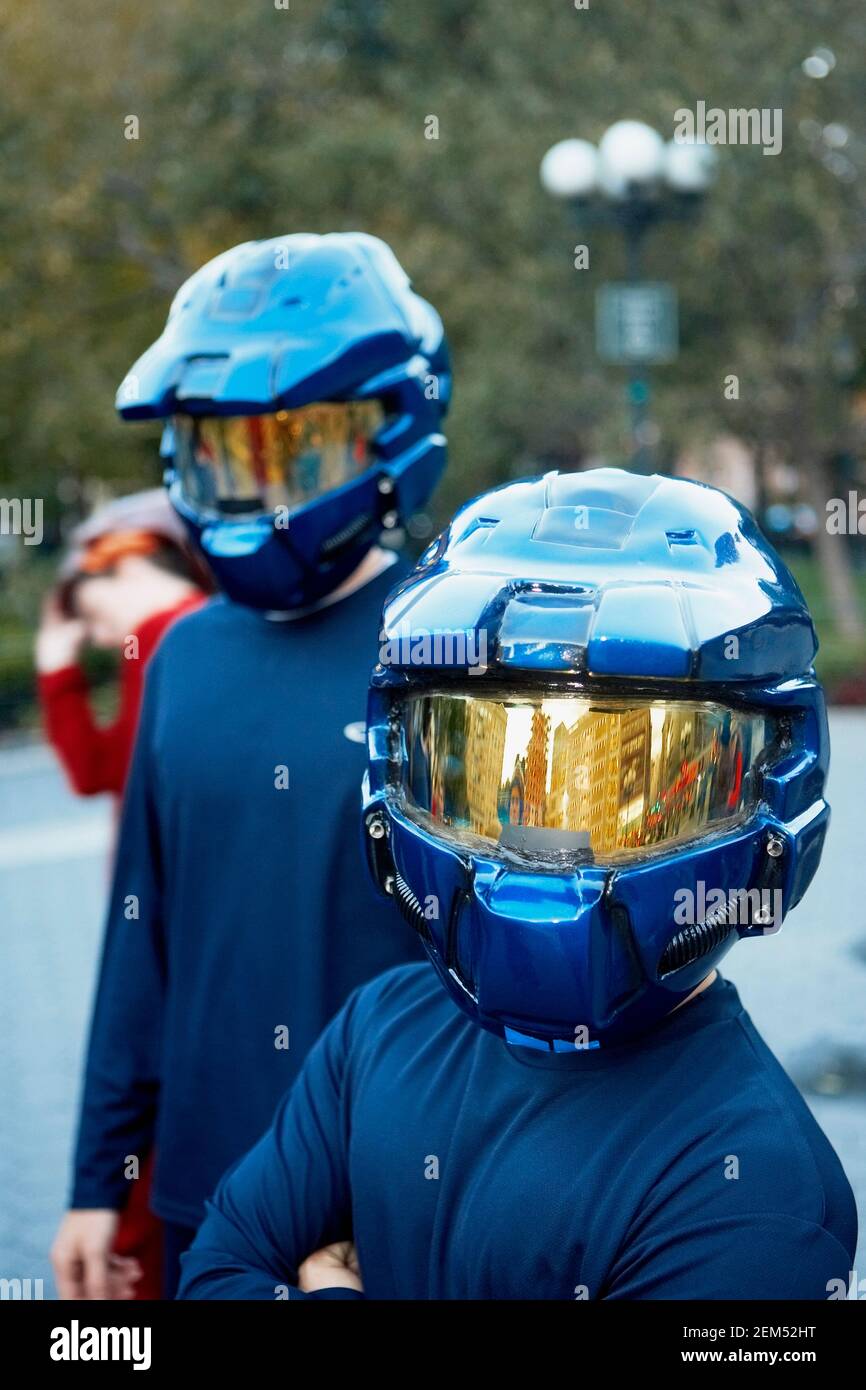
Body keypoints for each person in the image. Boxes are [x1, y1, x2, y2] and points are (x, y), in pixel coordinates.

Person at [178, 468, 857, 1301]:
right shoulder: (378, 1028)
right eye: (489, 779)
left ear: (770, 783)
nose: (545, 839)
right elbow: (212, 1275)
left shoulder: (761, 1192)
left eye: (624, 791)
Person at [51, 232, 449, 1300]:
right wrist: (99, 1181)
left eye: (296, 444)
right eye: (224, 448)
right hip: (201, 1197)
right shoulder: (184, 654)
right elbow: (140, 942)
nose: (255, 484)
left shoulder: (447, 648)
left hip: (387, 1208)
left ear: (387, 433)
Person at [36, 490, 209, 801]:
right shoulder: (198, 625)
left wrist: (57, 670)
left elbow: (105, 772)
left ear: (128, 564)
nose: (101, 638)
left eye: (91, 615)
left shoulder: (159, 633)